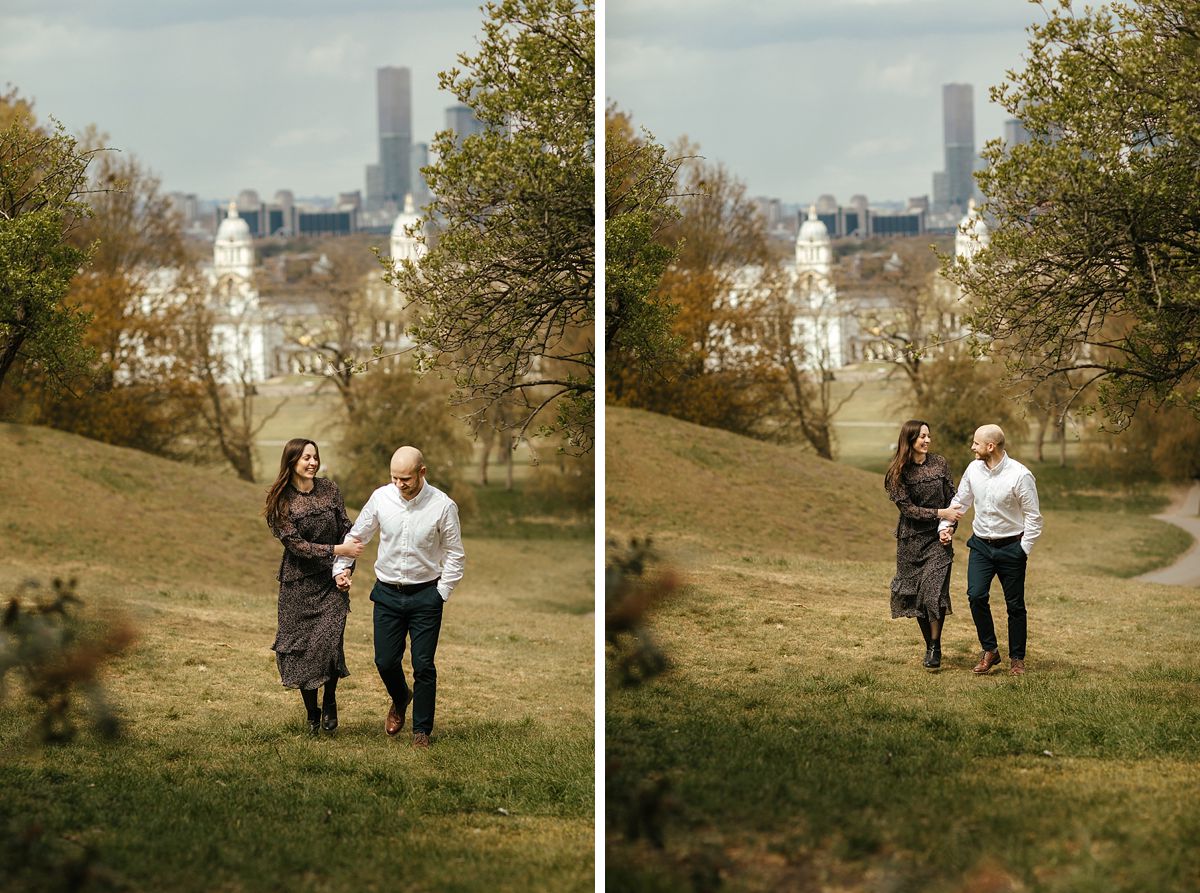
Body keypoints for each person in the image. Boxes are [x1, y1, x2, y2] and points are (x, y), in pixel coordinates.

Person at [332, 446, 465, 749]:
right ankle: (400, 696)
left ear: (422, 472)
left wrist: (440, 594)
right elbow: (357, 536)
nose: (399, 484)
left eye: (405, 478)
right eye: (394, 478)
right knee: (385, 660)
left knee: (424, 665)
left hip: (425, 596)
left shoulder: (443, 506)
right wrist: (341, 569)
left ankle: (422, 731)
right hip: (387, 593)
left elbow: (455, 555)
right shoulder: (382, 498)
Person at [264, 439, 364, 735]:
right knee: (302, 650)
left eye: (315, 457)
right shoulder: (281, 501)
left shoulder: (330, 489)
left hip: (331, 584)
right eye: (306, 457)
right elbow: (297, 546)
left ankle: (330, 700)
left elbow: (347, 528)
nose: (312, 462)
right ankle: (312, 712)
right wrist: (337, 550)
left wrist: (344, 568)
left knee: (328, 644)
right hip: (297, 587)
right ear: (292, 461)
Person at [938, 424, 1043, 676]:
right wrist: (946, 525)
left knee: (1015, 605)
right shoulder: (974, 469)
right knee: (975, 596)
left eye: (976, 443)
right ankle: (990, 650)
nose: (972, 447)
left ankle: (1017, 659)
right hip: (981, 546)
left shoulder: (1020, 475)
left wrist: (1022, 549)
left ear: (990, 446)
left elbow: (1034, 517)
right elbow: (960, 501)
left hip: (1011, 548)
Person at [884, 420, 963, 669]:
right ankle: (930, 645)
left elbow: (954, 500)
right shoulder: (897, 474)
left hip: (938, 541)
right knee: (918, 597)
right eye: (922, 437)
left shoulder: (939, 463)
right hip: (911, 543)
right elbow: (909, 510)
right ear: (909, 441)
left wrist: (948, 528)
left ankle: (935, 646)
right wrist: (942, 513)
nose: (927, 440)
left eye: (929, 435)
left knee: (933, 593)